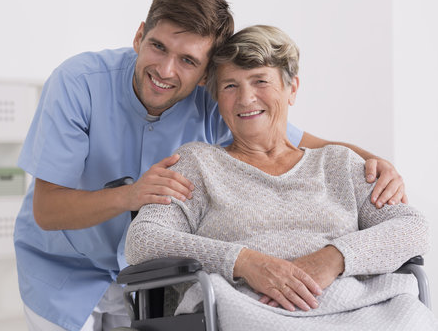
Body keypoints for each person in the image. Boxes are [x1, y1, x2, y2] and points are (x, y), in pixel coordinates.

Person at [15, 0, 407, 331]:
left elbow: (289, 139)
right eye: (158, 46)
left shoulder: (218, 99)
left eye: (188, 60)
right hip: (64, 271)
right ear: (139, 36)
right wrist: (131, 196)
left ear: (206, 74)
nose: (166, 70)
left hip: (149, 283)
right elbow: (47, 211)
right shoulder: (78, 83)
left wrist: (377, 164)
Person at [125, 25, 435, 330]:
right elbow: (143, 239)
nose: (246, 99)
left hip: (362, 305)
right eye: (231, 86)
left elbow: (413, 227)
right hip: (249, 307)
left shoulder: (340, 163)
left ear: (292, 89)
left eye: (260, 81)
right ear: (217, 98)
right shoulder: (197, 164)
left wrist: (334, 258)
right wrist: (243, 262)